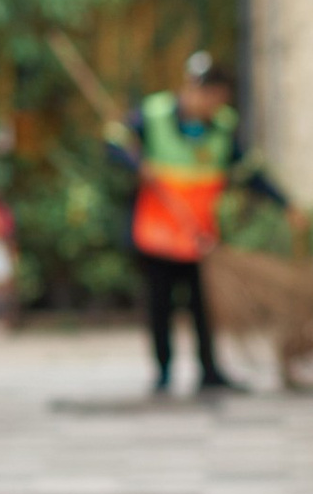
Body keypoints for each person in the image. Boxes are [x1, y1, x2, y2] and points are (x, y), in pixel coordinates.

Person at [118, 51, 277, 396]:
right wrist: (135, 163)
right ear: (192, 88)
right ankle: (163, 373)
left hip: (199, 236)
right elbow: (114, 140)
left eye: (219, 97)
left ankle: (210, 371)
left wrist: (284, 204)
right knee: (160, 307)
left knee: (203, 308)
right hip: (158, 236)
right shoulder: (154, 114)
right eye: (207, 94)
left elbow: (248, 172)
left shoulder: (222, 126)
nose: (212, 102)